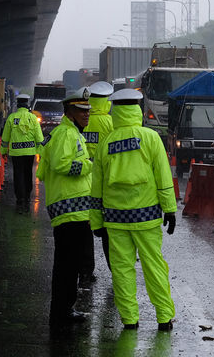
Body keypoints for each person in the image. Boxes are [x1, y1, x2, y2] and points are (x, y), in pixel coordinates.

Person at [90, 88, 177, 331]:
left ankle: (129, 320)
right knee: (154, 266)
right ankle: (164, 318)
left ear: (115, 110)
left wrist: (96, 222)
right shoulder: (150, 138)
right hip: (147, 217)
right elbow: (163, 175)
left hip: (115, 219)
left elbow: (96, 186)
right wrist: (169, 210)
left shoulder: (107, 142)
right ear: (137, 109)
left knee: (121, 269)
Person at [37, 87, 94, 324]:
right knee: (67, 265)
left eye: (88, 110)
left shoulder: (71, 132)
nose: (87, 114)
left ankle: (65, 308)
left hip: (74, 210)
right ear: (70, 111)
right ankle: (61, 311)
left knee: (69, 264)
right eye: (82, 110)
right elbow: (61, 165)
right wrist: (88, 165)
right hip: (69, 211)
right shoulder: (65, 134)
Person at [81, 80, 115, 282]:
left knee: (85, 226)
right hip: (105, 181)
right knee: (108, 227)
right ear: (107, 102)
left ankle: (86, 269)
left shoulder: (81, 119)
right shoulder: (111, 123)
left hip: (83, 180)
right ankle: (115, 270)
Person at [1, 93, 44, 213]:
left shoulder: (11, 118)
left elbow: (5, 138)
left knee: (18, 175)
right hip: (30, 153)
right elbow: (39, 138)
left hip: (16, 153)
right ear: (27, 104)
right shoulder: (33, 118)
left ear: (18, 104)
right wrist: (41, 153)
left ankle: (20, 200)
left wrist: (3, 151)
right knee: (27, 174)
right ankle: (26, 199)